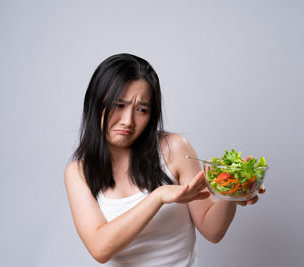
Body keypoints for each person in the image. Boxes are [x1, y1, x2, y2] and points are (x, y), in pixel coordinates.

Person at [64, 53, 265, 266]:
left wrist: (231, 190)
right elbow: (100, 248)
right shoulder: (79, 171)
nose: (128, 121)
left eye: (142, 109)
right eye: (119, 105)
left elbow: (212, 231)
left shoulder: (175, 149)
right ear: (96, 103)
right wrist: (157, 197)